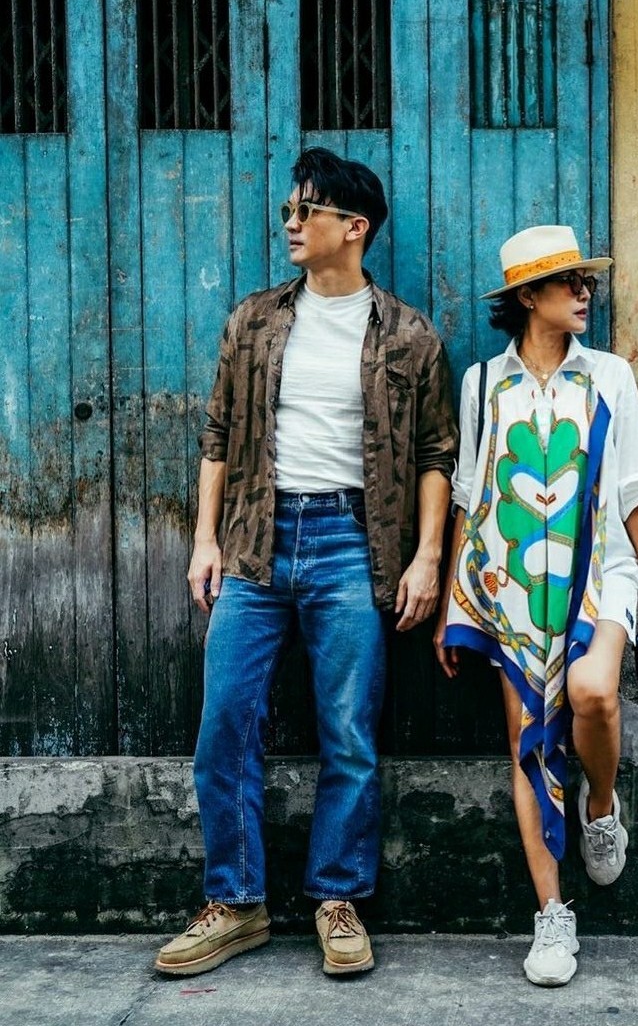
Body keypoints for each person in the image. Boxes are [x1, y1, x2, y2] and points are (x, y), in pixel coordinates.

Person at [155, 148, 458, 978]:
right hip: (256, 544)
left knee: (348, 733)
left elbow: (437, 453)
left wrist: (428, 557)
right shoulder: (254, 321)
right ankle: (237, 903)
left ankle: (338, 898)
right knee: (225, 724)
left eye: (306, 211)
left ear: (353, 228)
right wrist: (206, 540)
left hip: (352, 544)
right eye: (290, 210)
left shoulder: (409, 335)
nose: (290, 223)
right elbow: (218, 435)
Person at [434, 225, 638, 987]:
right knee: (527, 744)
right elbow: (470, 496)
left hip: (601, 571)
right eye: (568, 282)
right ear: (528, 296)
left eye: (586, 282)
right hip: (510, 582)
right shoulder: (483, 384)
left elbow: (634, 488)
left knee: (593, 692)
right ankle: (551, 913)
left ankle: (599, 807)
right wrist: (454, 605)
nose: (583, 293)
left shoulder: (609, 376)